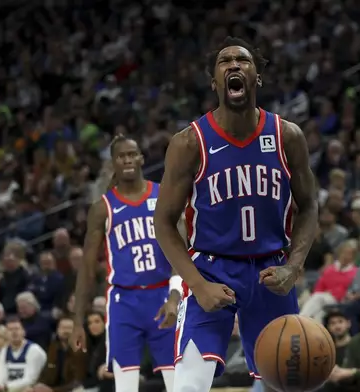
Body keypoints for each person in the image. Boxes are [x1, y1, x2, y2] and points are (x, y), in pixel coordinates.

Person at [154, 36, 318, 392]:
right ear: (215, 82)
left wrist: (294, 266)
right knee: (187, 386)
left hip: (271, 270)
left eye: (242, 61)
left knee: (286, 383)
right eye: (224, 61)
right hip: (211, 268)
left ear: (256, 76)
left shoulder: (287, 135)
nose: (233, 65)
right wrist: (197, 285)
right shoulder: (188, 142)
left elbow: (309, 208)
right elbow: (163, 222)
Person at [70, 135, 182, 392]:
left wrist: (175, 296)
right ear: (113, 163)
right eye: (122, 156)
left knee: (178, 382)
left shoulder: (163, 195)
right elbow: (87, 268)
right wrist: (77, 320)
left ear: (141, 158)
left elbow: (180, 250)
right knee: (125, 386)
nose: (128, 159)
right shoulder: (102, 209)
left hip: (163, 295)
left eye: (132, 154)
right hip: (123, 302)